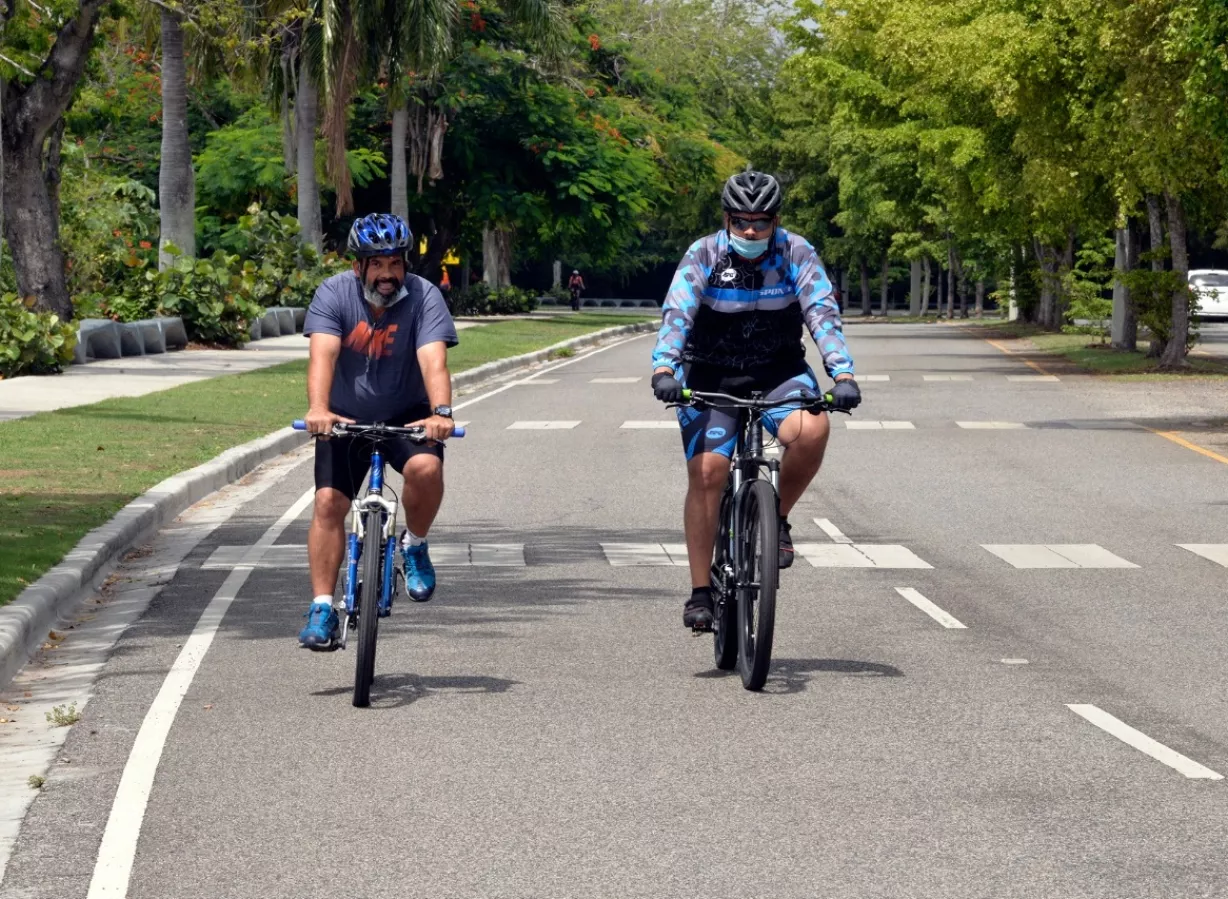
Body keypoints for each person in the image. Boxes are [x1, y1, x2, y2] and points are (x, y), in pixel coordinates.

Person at [650, 170, 862, 631]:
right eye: (742, 221)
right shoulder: (703, 253)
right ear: (727, 218)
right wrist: (664, 367)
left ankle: (778, 518)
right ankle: (701, 591)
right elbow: (678, 310)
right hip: (710, 372)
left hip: (777, 371)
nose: (751, 231)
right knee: (708, 471)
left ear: (775, 221)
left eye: (761, 222)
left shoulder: (796, 252)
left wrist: (842, 374)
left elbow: (821, 312)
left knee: (812, 429)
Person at [297, 213, 459, 650]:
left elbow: (433, 360)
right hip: (345, 418)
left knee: (426, 468)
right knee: (329, 502)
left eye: (395, 263)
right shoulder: (333, 293)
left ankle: (416, 545)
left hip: (408, 415)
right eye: (377, 263)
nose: (387, 274)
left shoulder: (425, 297)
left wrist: (440, 412)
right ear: (358, 266)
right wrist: (318, 409)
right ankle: (323, 607)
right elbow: (323, 357)